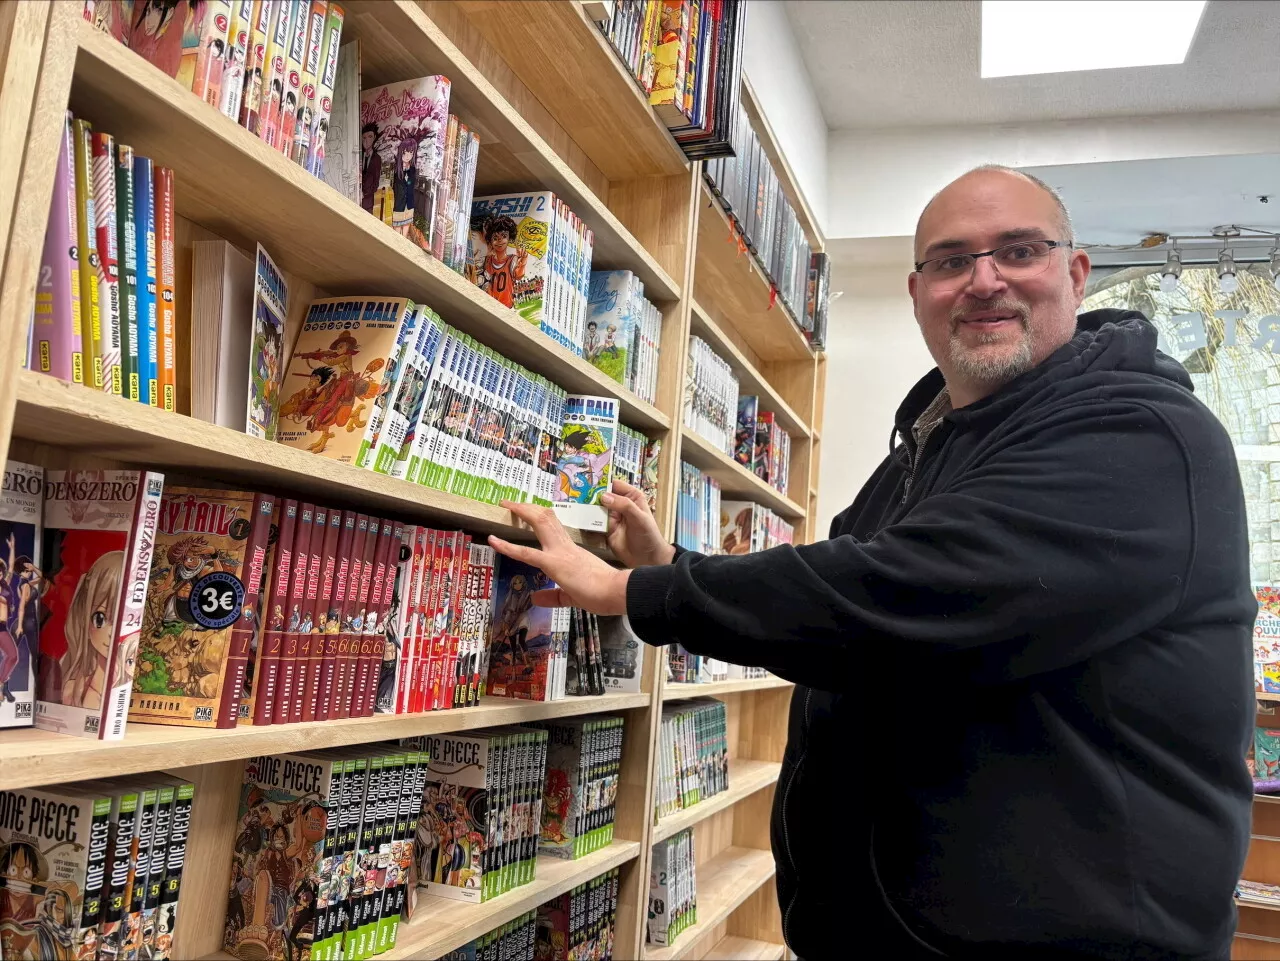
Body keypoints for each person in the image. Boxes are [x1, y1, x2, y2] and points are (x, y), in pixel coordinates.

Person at [486, 165, 1254, 960]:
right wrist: (670, 557)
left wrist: (635, 590)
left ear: (1076, 271)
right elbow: (835, 586)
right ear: (919, 290)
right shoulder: (928, 448)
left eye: (1019, 250)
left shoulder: (1144, 435)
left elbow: (908, 592)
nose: (985, 280)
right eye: (953, 261)